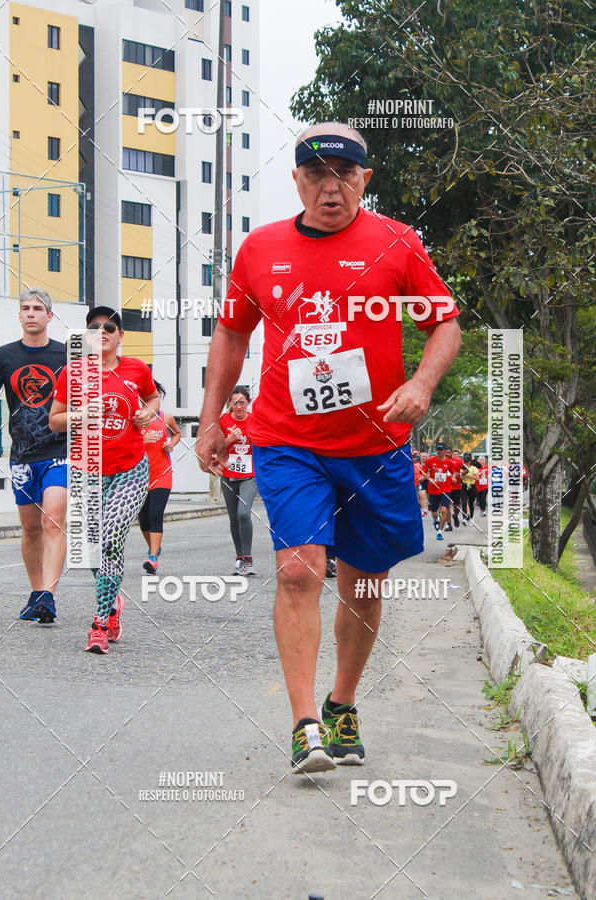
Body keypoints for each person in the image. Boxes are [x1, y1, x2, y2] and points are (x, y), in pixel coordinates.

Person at [196, 121, 461, 773]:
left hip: (374, 447)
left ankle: (342, 704)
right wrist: (208, 420)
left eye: (343, 173)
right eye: (315, 173)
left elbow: (444, 324)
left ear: (364, 180)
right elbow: (231, 335)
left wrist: (423, 383)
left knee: (363, 583)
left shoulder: (397, 243)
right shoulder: (260, 250)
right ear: (297, 181)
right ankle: (304, 724)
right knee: (297, 571)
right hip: (287, 440)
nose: (330, 186)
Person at [49, 306, 159, 653]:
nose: (102, 331)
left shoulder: (137, 369)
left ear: (120, 335)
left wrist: (147, 412)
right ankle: (112, 604)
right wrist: (83, 413)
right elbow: (54, 421)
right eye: (94, 327)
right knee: (92, 551)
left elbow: (153, 396)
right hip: (86, 473)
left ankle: (99, 624)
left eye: (109, 327)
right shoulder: (73, 373)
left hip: (130, 469)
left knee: (110, 535)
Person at [0, 288, 68, 623]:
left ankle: (49, 597)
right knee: (30, 529)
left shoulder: (66, 355)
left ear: (49, 316)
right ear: (20, 315)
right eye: (25, 308)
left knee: (52, 520)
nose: (31, 313)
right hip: (22, 454)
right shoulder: (4, 356)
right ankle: (37, 591)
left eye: (38, 308)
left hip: (59, 450)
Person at [138, 380, 181, 573]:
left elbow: (177, 434)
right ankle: (153, 546)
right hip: (139, 477)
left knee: (156, 515)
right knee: (144, 519)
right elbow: (122, 443)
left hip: (162, 474)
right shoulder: (134, 420)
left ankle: (153, 558)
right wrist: (141, 440)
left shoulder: (166, 418)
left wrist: (172, 443)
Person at [218, 385, 257, 575]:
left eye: (242, 402)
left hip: (250, 474)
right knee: (234, 518)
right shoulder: (222, 421)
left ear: (248, 403)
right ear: (230, 404)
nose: (239, 407)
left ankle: (247, 556)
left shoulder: (256, 420)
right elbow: (215, 448)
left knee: (243, 513)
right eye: (235, 403)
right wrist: (230, 439)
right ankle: (239, 557)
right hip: (228, 473)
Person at [424, 443, 453, 540]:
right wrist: (429, 478)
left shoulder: (449, 462)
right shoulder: (430, 460)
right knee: (434, 513)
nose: (439, 452)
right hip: (433, 490)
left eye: (441, 450)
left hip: (445, 489)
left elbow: (454, 473)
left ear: (445, 451)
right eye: (438, 450)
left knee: (444, 510)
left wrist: (453, 477)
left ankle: (440, 532)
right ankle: (436, 519)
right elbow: (424, 472)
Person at [448, 446, 465, 527]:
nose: (447, 454)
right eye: (446, 452)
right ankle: (449, 525)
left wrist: (459, 475)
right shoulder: (441, 460)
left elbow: (466, 470)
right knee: (446, 506)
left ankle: (455, 515)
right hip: (446, 487)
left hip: (456, 486)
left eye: (448, 452)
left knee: (456, 505)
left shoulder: (458, 461)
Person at [460, 452, 479, 523]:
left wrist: (469, 475)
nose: (466, 464)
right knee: (464, 502)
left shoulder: (474, 468)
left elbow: (477, 478)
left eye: (468, 462)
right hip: (464, 486)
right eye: (465, 462)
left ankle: (471, 516)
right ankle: (464, 517)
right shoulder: (461, 468)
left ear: (470, 461)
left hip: (472, 486)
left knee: (471, 502)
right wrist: (463, 475)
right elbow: (460, 477)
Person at [418, 451, 429, 516]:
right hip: (421, 482)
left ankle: (430, 504)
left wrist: (425, 477)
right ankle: (424, 509)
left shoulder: (429, 464)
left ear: (427, 457)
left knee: (429, 497)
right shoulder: (418, 464)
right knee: (422, 495)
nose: (424, 458)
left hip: (429, 481)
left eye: (425, 456)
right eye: (422, 456)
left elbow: (429, 474)